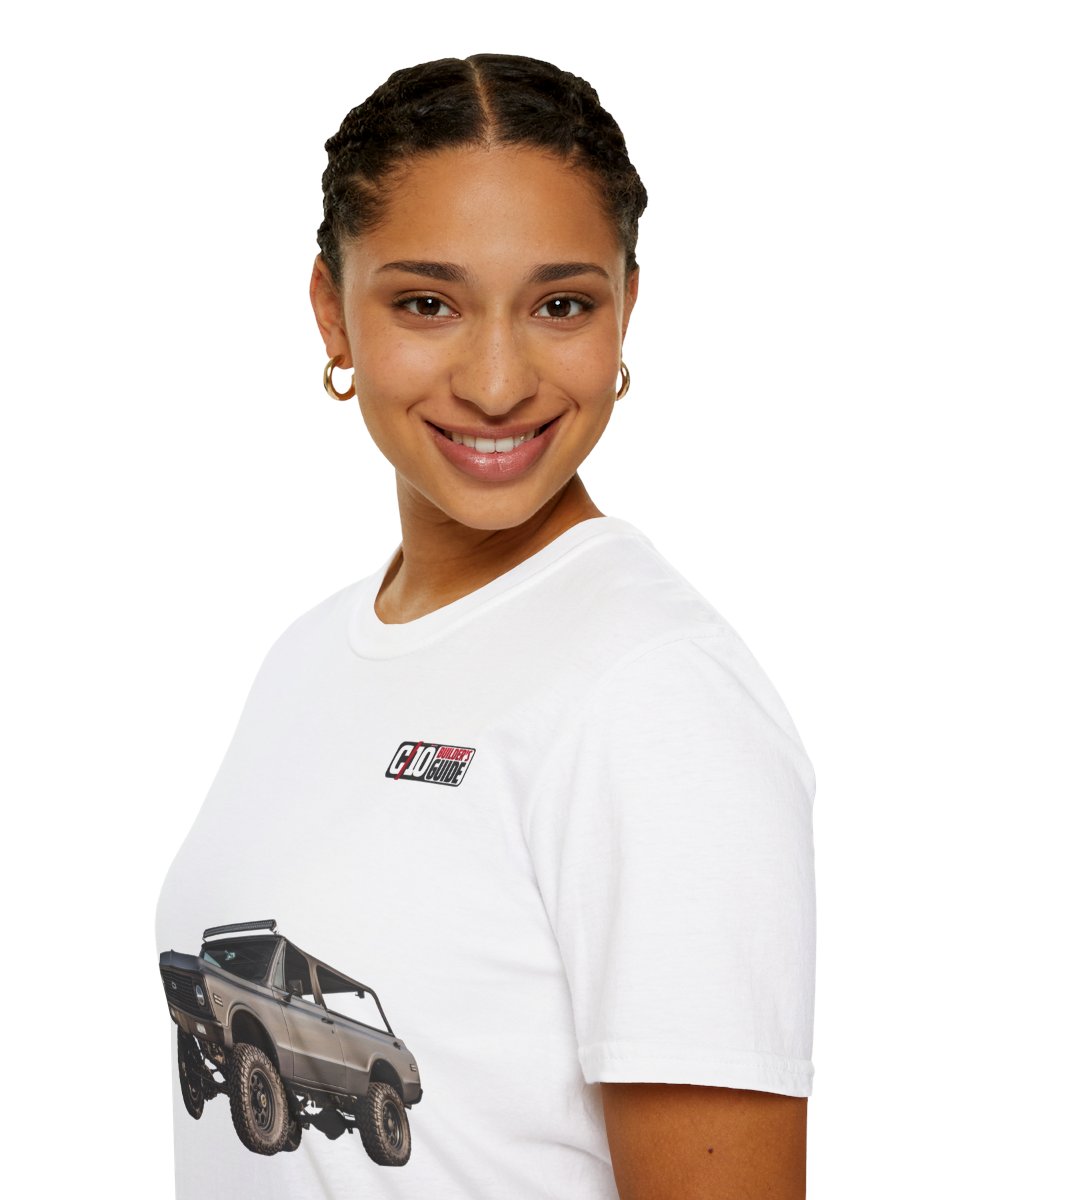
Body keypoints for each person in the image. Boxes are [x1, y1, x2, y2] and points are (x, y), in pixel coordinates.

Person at [156, 52, 815, 1199]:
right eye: (428, 303)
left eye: (562, 305)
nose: (499, 381)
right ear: (332, 311)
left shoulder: (657, 697)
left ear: (627, 309)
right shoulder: (307, 657)